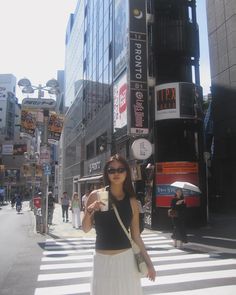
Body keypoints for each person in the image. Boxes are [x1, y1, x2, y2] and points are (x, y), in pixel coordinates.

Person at [82, 154, 156, 295]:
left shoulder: (132, 201)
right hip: (101, 260)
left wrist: (149, 264)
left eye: (120, 169)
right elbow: (85, 229)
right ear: (107, 173)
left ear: (126, 172)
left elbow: (136, 236)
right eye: (112, 170)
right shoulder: (95, 195)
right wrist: (90, 210)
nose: (116, 173)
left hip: (125, 260)